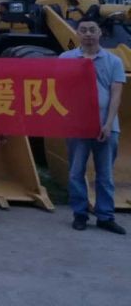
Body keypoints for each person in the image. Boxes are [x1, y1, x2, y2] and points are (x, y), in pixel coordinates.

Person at [60, 18, 126, 234]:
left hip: (106, 127)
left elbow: (116, 94)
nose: (88, 34)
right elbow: (58, 90)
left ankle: (105, 216)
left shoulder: (113, 61)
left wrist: (108, 123)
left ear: (100, 33)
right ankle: (80, 214)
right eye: (83, 30)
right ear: (77, 34)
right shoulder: (66, 59)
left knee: (105, 175)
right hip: (77, 127)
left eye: (92, 30)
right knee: (75, 172)